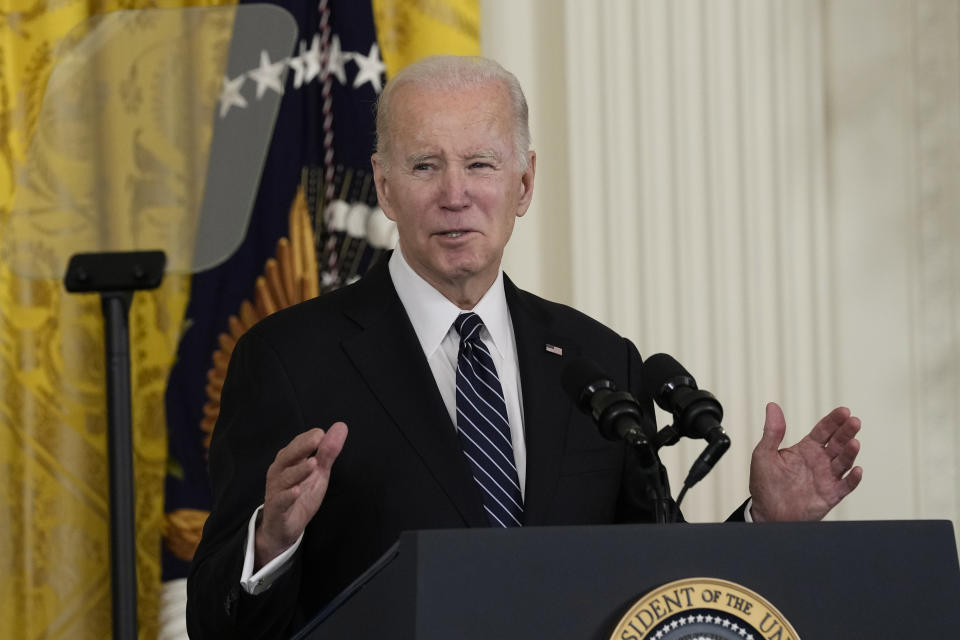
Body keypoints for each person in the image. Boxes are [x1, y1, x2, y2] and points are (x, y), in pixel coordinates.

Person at [186, 56, 863, 639]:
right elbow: (216, 623)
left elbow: (661, 591)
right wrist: (271, 542)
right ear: (386, 188)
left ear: (525, 183)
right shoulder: (289, 359)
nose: (456, 194)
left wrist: (764, 525)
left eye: (480, 163)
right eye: (426, 165)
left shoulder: (599, 362)